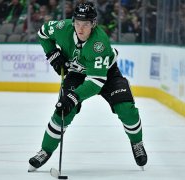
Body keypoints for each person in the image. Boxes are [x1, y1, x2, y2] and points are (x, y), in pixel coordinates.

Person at [28, 2, 147, 172]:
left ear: (93, 24)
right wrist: (52, 53)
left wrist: (73, 97)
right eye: (77, 23)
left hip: (107, 75)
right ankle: (45, 150)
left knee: (126, 108)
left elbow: (95, 84)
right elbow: (42, 33)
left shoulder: (100, 44)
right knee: (63, 110)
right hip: (76, 73)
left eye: (85, 24)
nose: (80, 28)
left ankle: (137, 142)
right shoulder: (63, 28)